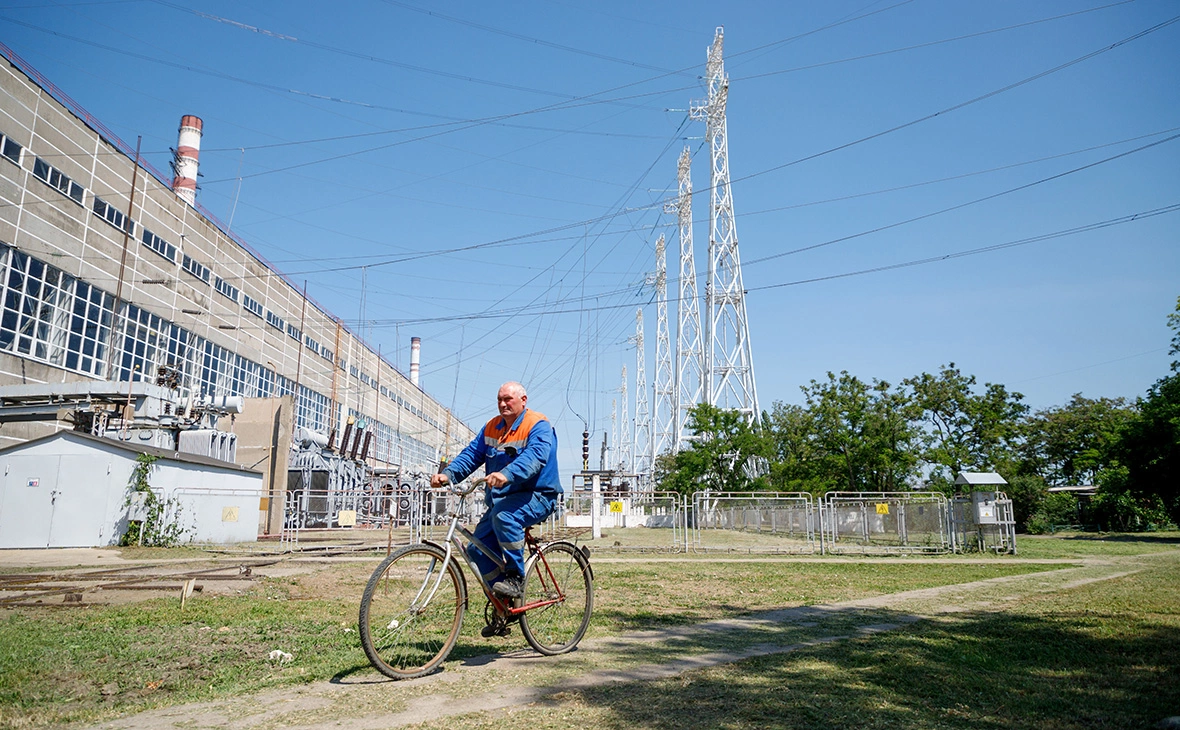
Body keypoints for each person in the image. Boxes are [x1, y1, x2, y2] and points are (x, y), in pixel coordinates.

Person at [430, 381, 561, 600]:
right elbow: (472, 454)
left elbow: (535, 456)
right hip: (502, 500)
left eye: (508, 399)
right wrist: (449, 474)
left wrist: (507, 474)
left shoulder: (538, 424)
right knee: (477, 549)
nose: (502, 404)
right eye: (499, 399)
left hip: (537, 496)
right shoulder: (492, 427)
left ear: (523, 400)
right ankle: (503, 601)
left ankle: (515, 578)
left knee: (505, 516)